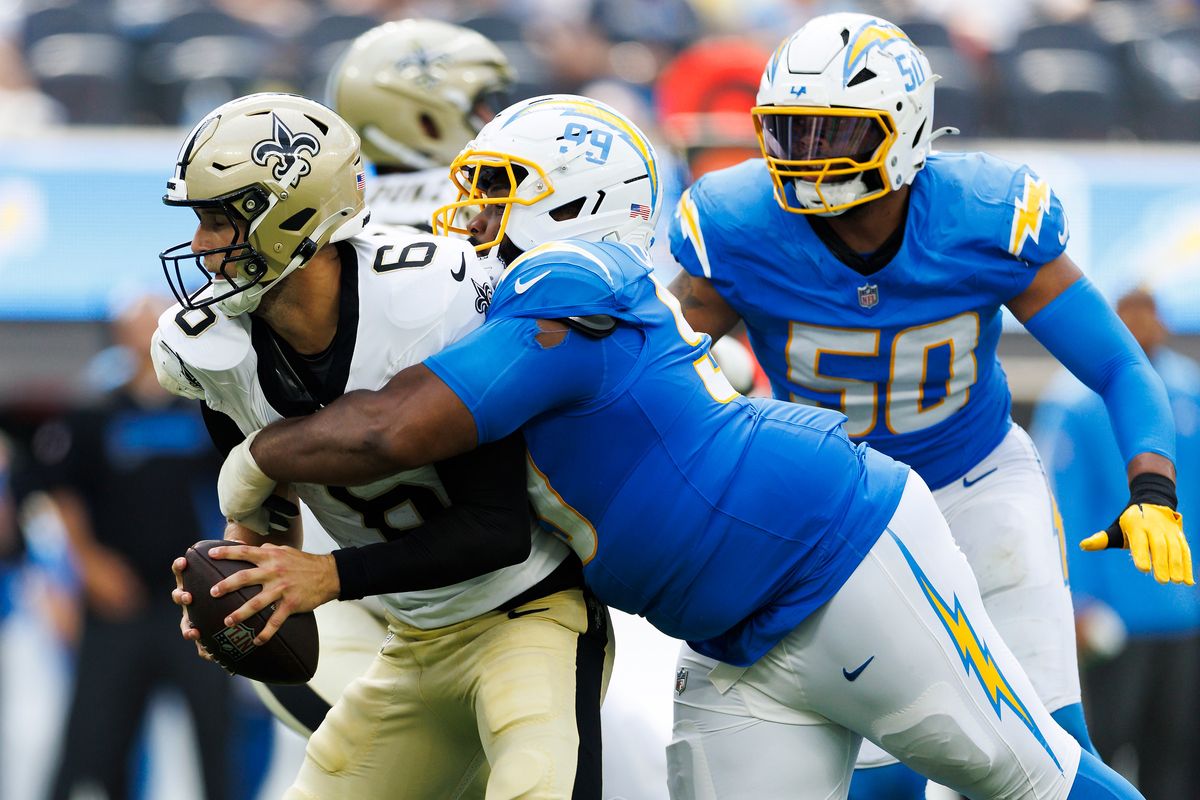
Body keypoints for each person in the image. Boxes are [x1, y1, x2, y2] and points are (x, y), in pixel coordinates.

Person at [214, 92, 1155, 800]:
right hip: (725, 632)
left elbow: (395, 425)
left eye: (497, 190)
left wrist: (254, 458)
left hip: (835, 553)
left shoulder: (578, 278)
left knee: (1028, 779)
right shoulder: (514, 301)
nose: (470, 219)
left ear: (578, 202)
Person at [664, 12, 1192, 799]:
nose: (804, 158)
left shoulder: (982, 215)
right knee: (888, 773)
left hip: (977, 489)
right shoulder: (737, 225)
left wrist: (1152, 488)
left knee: (1050, 749)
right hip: (843, 510)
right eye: (789, 132)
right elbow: (660, 372)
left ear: (902, 130)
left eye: (830, 134)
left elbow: (1117, 362)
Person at [155, 92, 609, 799]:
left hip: (527, 613)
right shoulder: (213, 350)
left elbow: (496, 530)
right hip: (414, 641)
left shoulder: (427, 303)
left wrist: (327, 577)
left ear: (292, 215)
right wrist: (244, 591)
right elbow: (264, 516)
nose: (203, 247)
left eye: (220, 220)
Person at [237, 17, 515, 746]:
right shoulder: (473, 228)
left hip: (374, 564)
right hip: (462, 562)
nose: (493, 124)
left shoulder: (316, 227)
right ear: (422, 113)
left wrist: (253, 469)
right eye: (481, 104)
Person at [35, 295, 235, 800]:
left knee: (218, 737)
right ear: (122, 337)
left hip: (193, 604)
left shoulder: (207, 409)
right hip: (117, 602)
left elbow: (245, 488)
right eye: (137, 326)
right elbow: (60, 488)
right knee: (93, 743)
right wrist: (87, 563)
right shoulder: (95, 412)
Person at [1032, 288, 1200, 799]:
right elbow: (1061, 504)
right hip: (1113, 617)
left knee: (1178, 757)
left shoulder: (1190, 393)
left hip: (1184, 614)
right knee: (1099, 753)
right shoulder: (1075, 403)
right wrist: (1077, 600)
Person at [327, 18, 513, 231]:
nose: (489, 117)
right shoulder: (487, 205)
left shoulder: (339, 209)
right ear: (426, 124)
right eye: (478, 105)